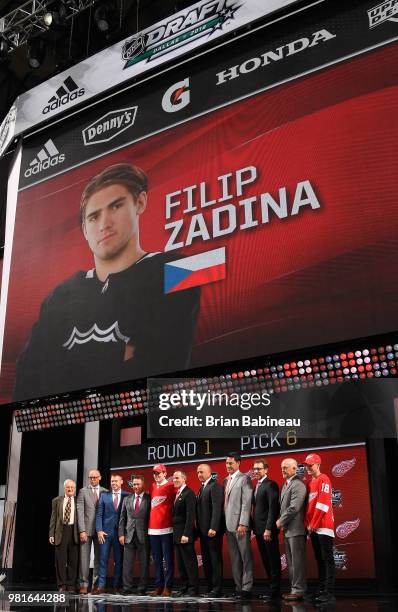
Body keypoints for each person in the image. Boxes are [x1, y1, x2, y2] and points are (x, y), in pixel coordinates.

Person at [13, 163, 200, 401]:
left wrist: (64, 366)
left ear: (140, 202)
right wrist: (118, 354)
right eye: (94, 216)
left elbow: (163, 364)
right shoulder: (59, 296)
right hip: (62, 430)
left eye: (116, 206)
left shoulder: (180, 270)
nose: (104, 224)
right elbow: (28, 381)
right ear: (84, 229)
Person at [304, 453, 335, 605]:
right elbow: (309, 507)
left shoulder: (324, 479)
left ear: (318, 464)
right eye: (306, 465)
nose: (308, 467)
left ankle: (329, 592)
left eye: (311, 465)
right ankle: (322, 589)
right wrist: (309, 524)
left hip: (324, 527)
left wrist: (313, 524)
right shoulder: (311, 482)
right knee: (320, 560)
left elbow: (322, 505)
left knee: (327, 560)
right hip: (314, 528)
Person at [276, 458, 307, 602]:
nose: (283, 470)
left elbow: (294, 507)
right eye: (282, 467)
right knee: (292, 562)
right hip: (288, 530)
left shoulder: (298, 484)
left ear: (294, 469)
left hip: (296, 529)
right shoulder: (286, 484)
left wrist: (280, 521)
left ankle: (299, 590)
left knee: (297, 562)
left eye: (286, 468)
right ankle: (294, 589)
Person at [224, 452, 253, 600]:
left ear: (238, 463)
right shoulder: (226, 480)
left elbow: (246, 502)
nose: (228, 466)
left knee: (245, 557)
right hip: (228, 526)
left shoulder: (245, 478)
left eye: (231, 463)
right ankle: (238, 587)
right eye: (227, 463)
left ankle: (246, 587)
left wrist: (243, 523)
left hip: (240, 525)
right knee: (235, 558)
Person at [252, 459, 281, 602]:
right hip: (258, 531)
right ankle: (272, 589)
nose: (256, 471)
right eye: (254, 469)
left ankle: (275, 592)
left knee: (273, 561)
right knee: (266, 560)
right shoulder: (257, 485)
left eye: (259, 469)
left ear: (266, 469)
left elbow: (273, 509)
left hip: (267, 531)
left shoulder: (271, 484)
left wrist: (269, 528)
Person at [95, 474, 128, 593]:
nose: (113, 483)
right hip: (105, 533)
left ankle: (116, 586)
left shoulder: (127, 496)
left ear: (121, 482)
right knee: (103, 560)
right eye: (112, 481)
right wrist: (99, 530)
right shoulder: (104, 496)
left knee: (119, 561)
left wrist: (124, 533)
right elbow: (99, 515)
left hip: (120, 534)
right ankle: (101, 586)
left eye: (115, 481)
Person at [76, 469, 107, 594]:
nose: (93, 479)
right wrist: (82, 530)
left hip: (100, 530)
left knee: (99, 558)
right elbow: (80, 512)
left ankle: (96, 585)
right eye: (91, 477)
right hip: (86, 530)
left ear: (99, 477)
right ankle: (83, 584)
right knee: (84, 558)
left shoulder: (105, 492)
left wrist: (102, 529)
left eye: (95, 477)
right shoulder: (83, 491)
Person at [118, 475, 151, 595]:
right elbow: (122, 518)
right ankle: (126, 587)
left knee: (144, 564)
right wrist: (121, 534)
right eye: (134, 484)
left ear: (143, 485)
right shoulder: (127, 499)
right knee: (127, 564)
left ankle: (142, 588)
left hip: (144, 535)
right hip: (128, 535)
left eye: (138, 484)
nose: (136, 486)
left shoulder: (149, 499)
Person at [196, 463, 224, 597]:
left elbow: (217, 508)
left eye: (202, 472)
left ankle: (217, 589)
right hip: (203, 532)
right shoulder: (202, 488)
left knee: (215, 560)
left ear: (209, 472)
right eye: (198, 472)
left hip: (212, 531)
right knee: (207, 560)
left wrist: (213, 527)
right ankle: (210, 588)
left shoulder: (215, 486)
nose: (199, 475)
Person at [148, 464, 175, 597]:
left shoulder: (171, 486)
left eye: (158, 473)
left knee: (168, 560)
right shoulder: (152, 486)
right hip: (152, 530)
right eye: (154, 473)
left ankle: (168, 587)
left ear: (165, 473)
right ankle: (158, 585)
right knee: (157, 560)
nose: (156, 476)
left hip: (166, 528)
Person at [49, 479, 79, 592]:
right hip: (60, 532)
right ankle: (61, 585)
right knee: (60, 561)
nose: (70, 489)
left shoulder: (78, 501)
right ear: (64, 488)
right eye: (68, 487)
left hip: (74, 532)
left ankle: (71, 585)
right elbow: (53, 518)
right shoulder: (56, 500)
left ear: (74, 489)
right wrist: (51, 534)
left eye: (72, 487)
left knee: (73, 561)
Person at [172, 470, 199, 597]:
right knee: (181, 564)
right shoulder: (177, 493)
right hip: (176, 535)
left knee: (189, 563)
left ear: (184, 479)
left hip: (184, 535)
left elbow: (190, 516)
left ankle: (193, 588)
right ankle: (185, 586)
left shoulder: (189, 493)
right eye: (174, 478)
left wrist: (186, 534)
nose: (175, 480)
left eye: (177, 478)